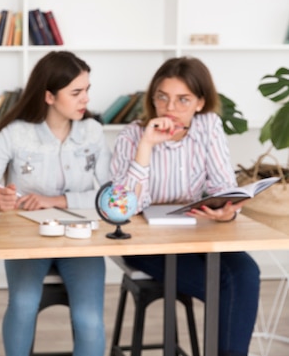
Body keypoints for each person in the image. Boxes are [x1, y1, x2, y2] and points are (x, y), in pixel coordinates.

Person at [110, 56, 260, 356]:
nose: (170, 108)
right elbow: (121, 209)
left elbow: (221, 186)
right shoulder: (132, 136)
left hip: (198, 232)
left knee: (246, 273)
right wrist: (147, 146)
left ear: (200, 103)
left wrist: (227, 209)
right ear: (153, 99)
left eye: (183, 100)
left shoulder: (208, 126)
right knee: (227, 289)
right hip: (146, 242)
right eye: (162, 98)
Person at [0, 51, 111, 356]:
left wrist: (56, 200)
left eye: (87, 90)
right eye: (76, 92)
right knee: (22, 304)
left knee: (89, 319)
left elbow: (110, 196)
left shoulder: (94, 132)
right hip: (28, 240)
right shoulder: (15, 134)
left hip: (81, 238)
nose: (85, 99)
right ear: (49, 96)